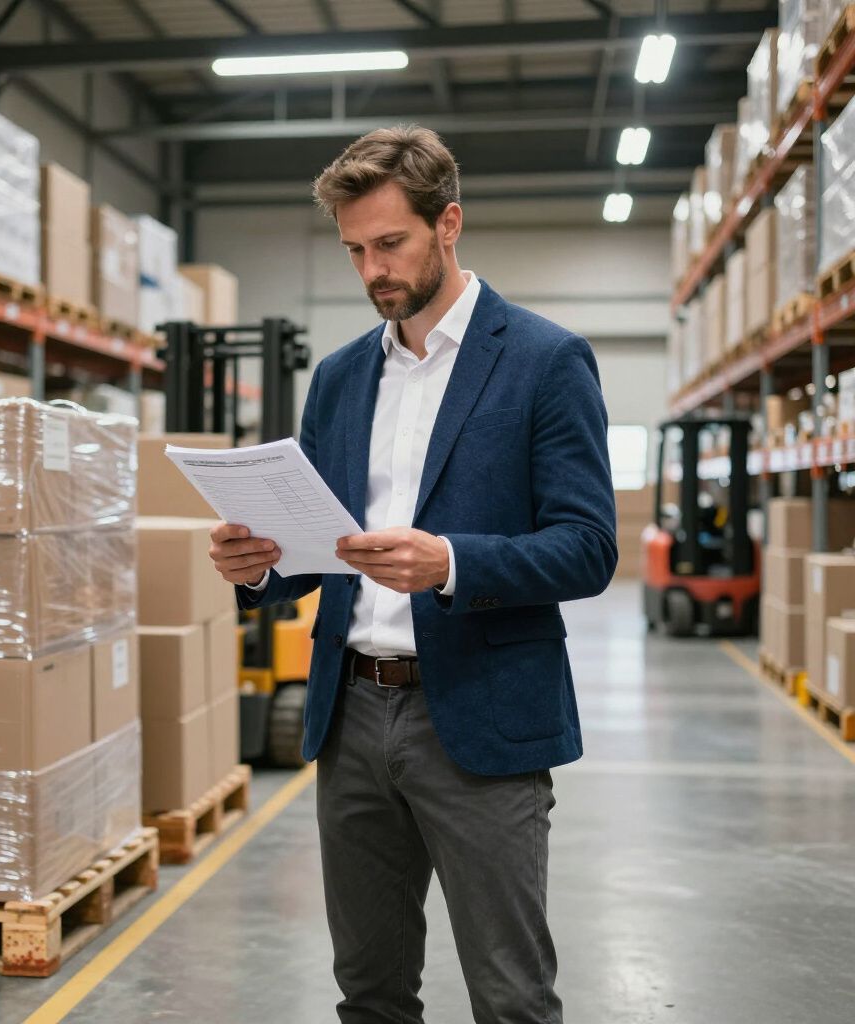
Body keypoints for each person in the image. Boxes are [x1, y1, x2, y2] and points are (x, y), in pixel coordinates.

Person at [208, 125, 617, 1024]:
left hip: (475, 715)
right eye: (355, 249)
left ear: (449, 224)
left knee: (510, 997)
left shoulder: (546, 362)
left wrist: (452, 562)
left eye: (389, 244)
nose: (372, 271)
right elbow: (317, 550)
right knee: (370, 993)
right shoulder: (343, 377)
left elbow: (589, 547)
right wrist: (257, 567)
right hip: (350, 714)